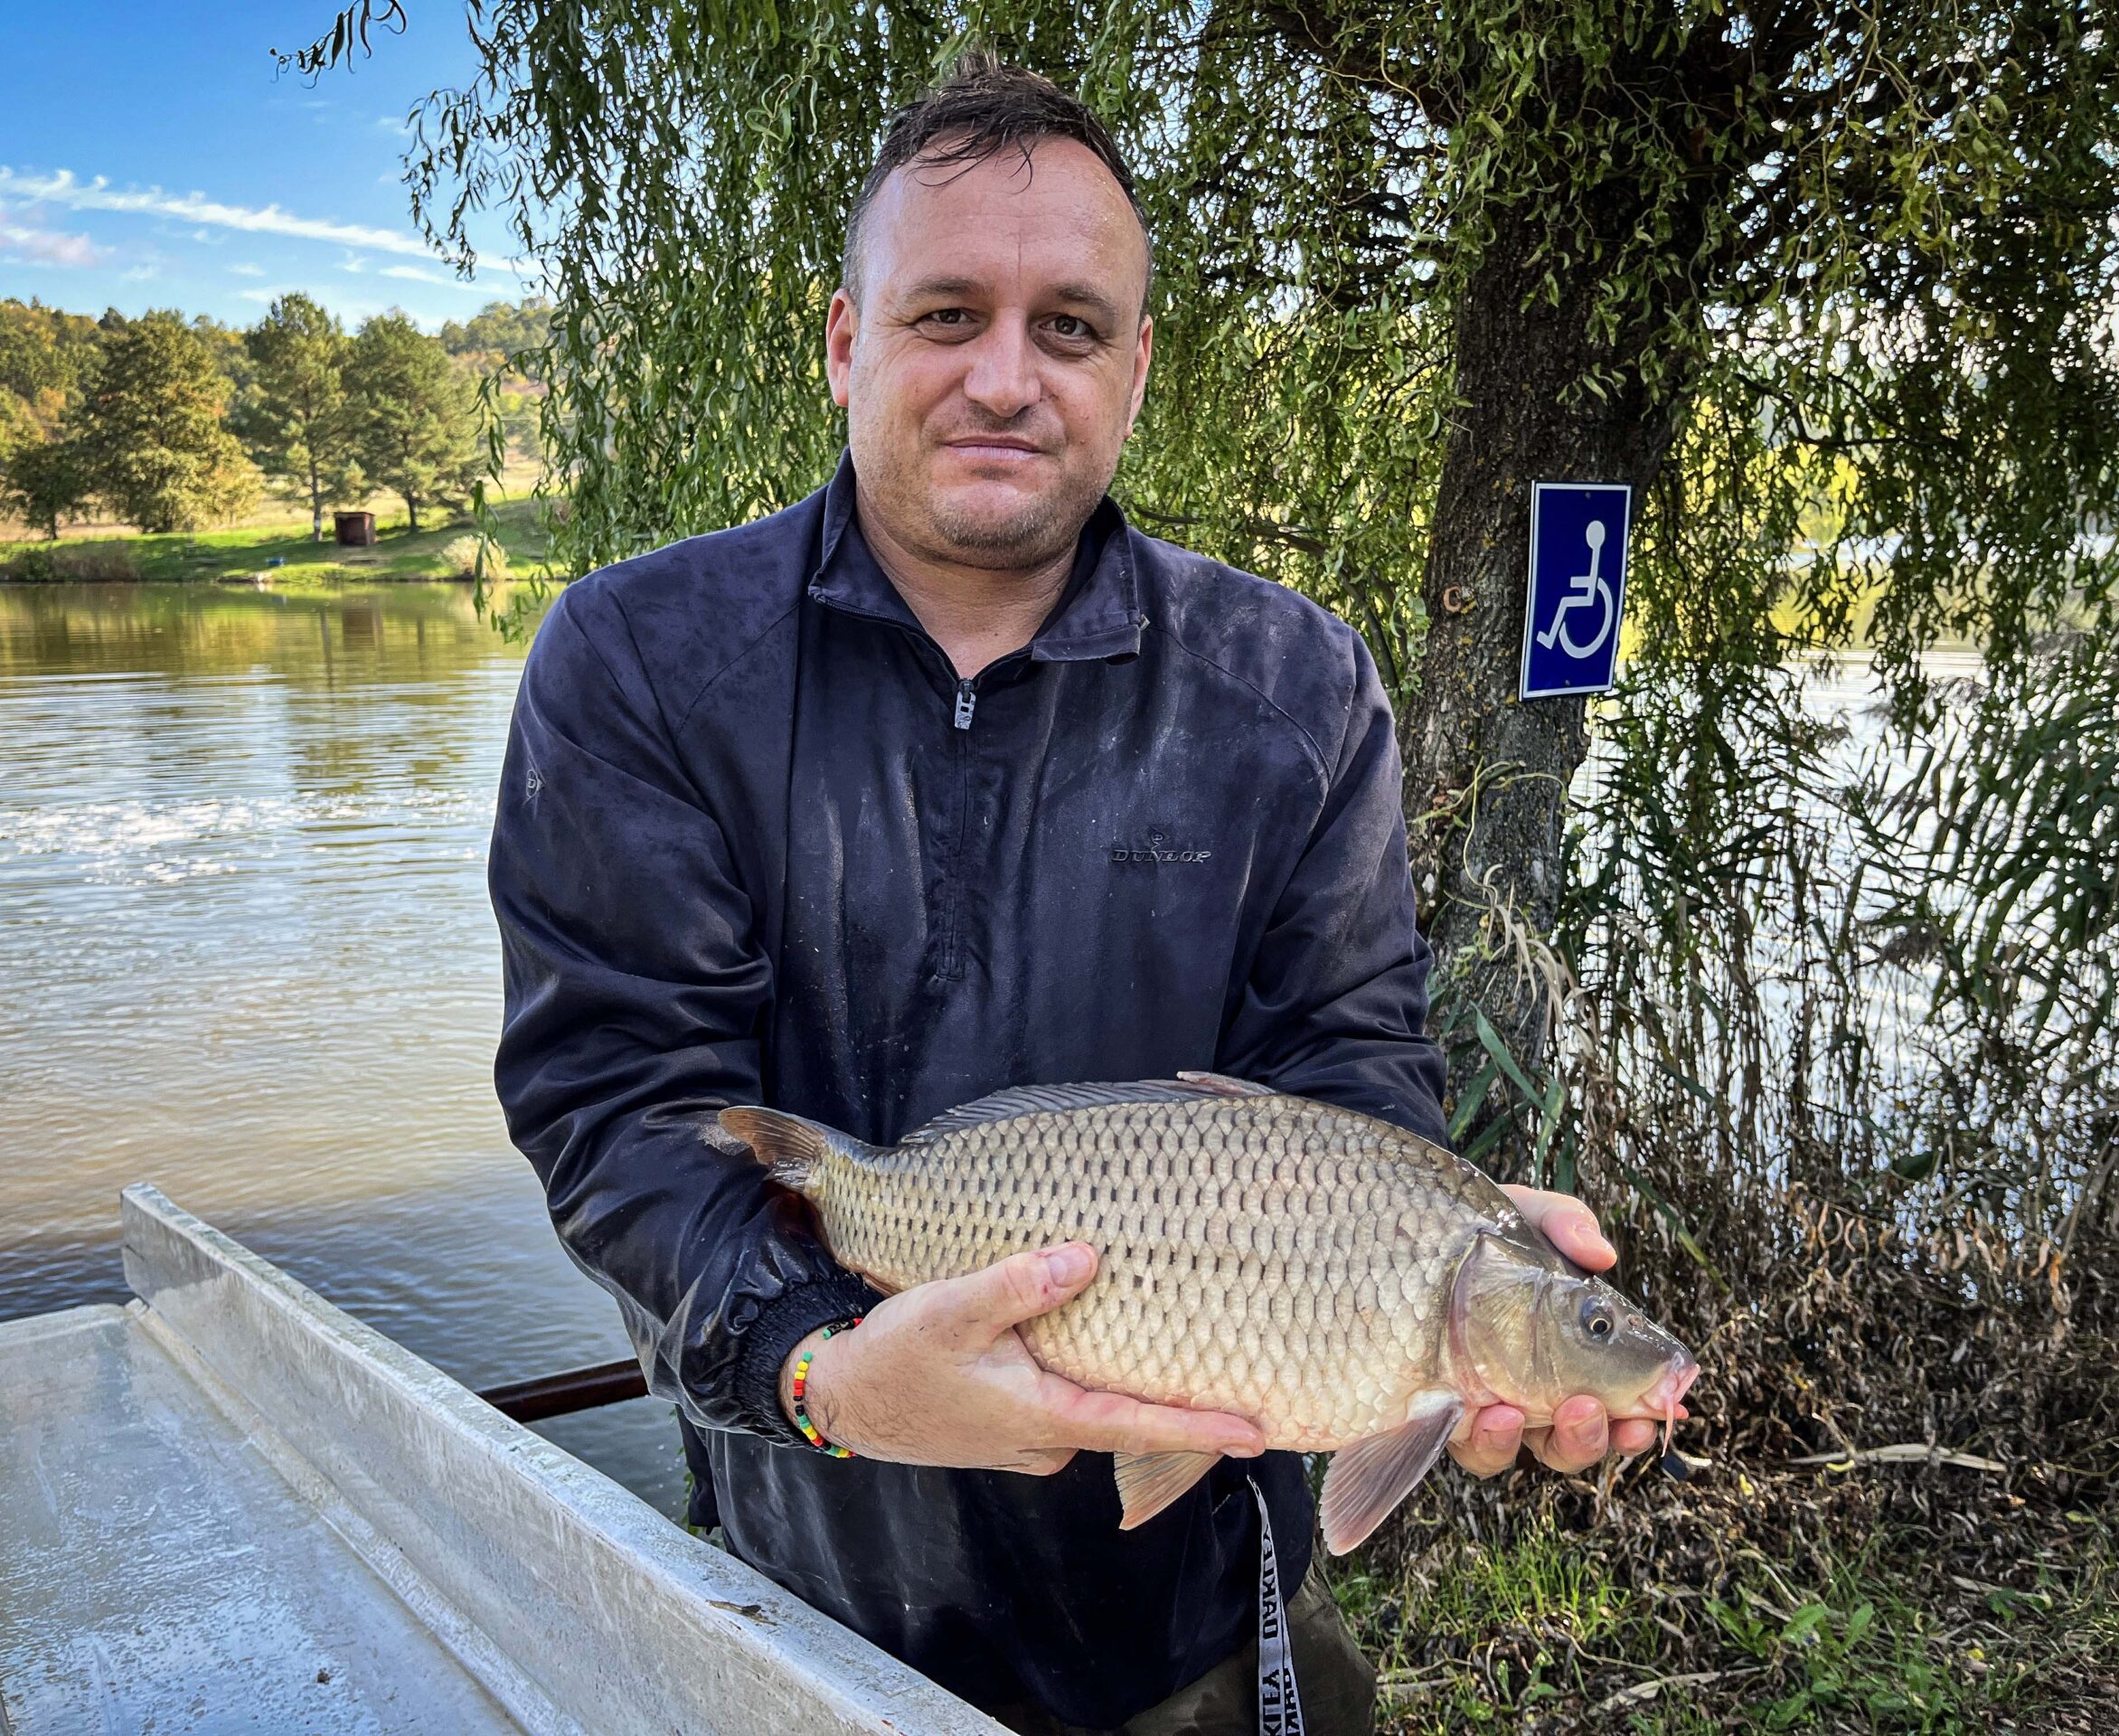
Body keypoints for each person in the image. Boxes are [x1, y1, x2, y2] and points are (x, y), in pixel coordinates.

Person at [488, 52, 1669, 1736]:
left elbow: (1350, 1065)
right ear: (844, 341)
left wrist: (1435, 1278)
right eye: (945, 313)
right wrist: (823, 1375)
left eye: (1066, 327)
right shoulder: (640, 664)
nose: (1002, 377)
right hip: (813, 1573)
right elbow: (622, 1107)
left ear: (1133, 365)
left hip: (1190, 1595)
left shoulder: (1294, 681)